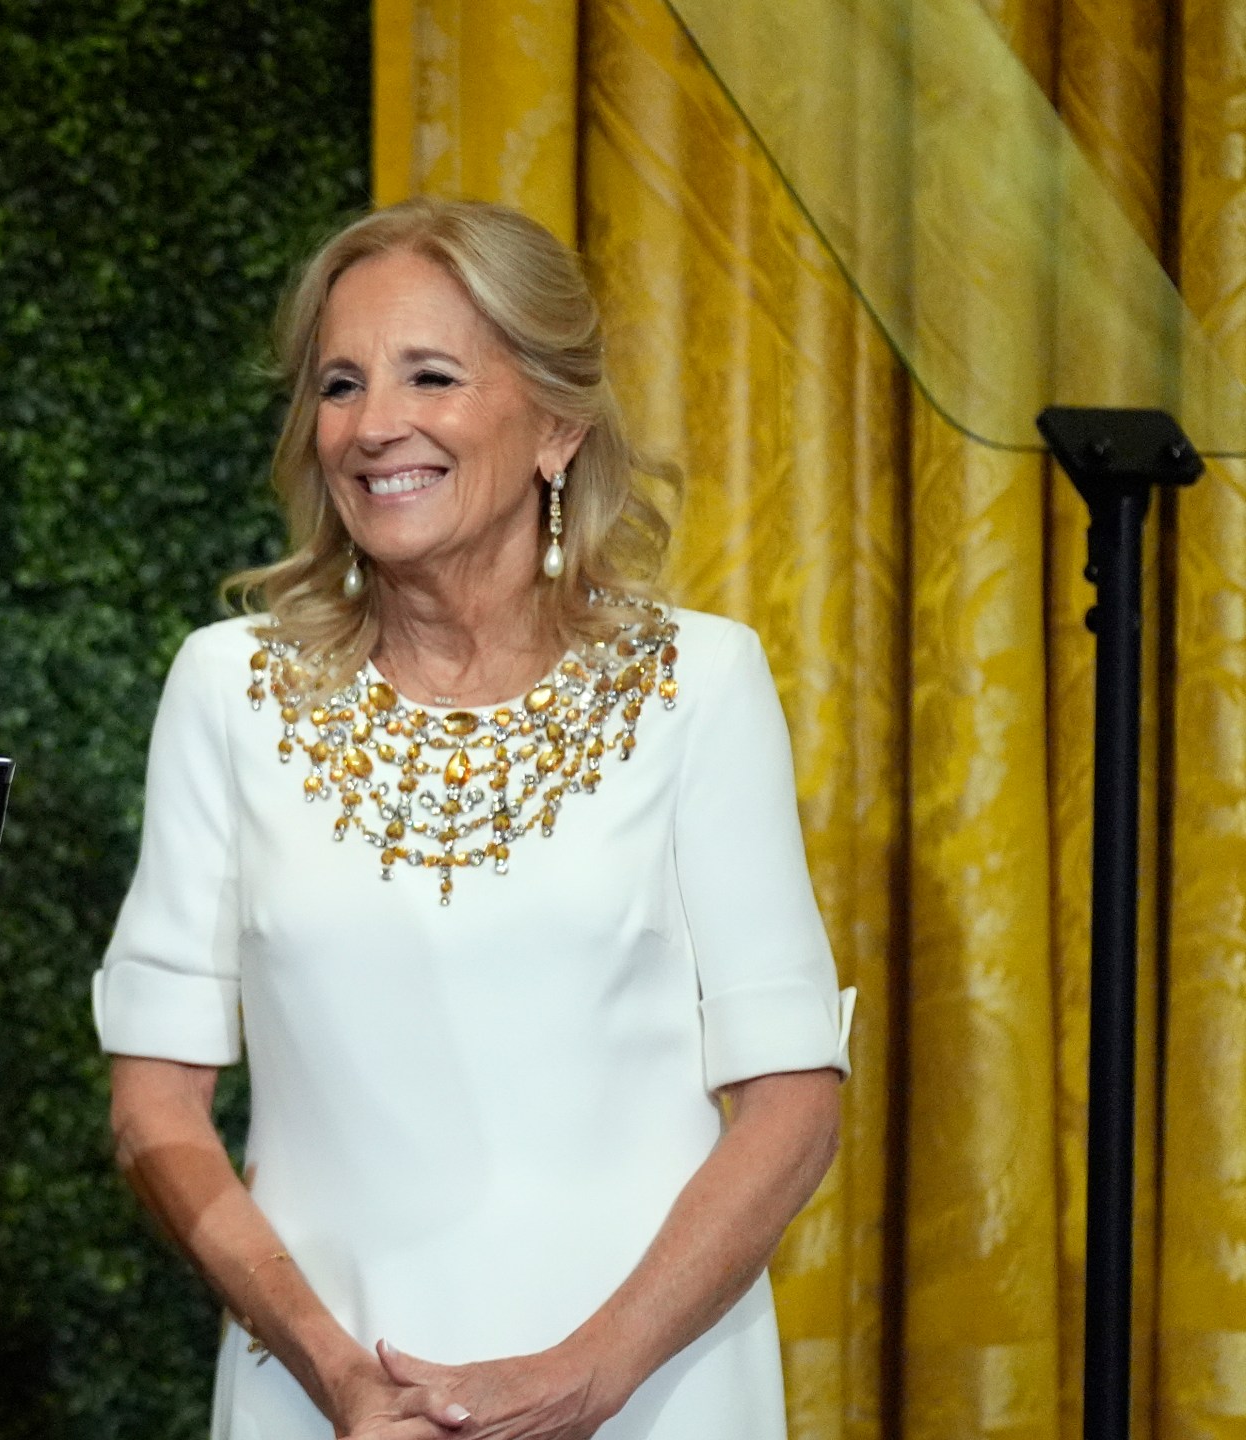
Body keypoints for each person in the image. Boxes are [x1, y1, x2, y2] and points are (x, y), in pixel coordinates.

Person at [93, 198, 851, 1440]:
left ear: (555, 425)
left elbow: (790, 1105)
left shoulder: (698, 683)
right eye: (338, 385)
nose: (373, 424)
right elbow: (154, 1111)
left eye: (429, 375)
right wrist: (338, 1373)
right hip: (328, 1402)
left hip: (650, 1397)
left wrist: (589, 1375)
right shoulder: (226, 689)